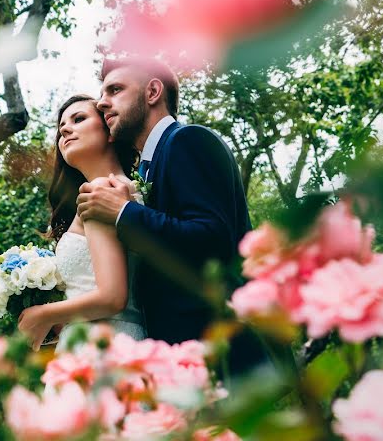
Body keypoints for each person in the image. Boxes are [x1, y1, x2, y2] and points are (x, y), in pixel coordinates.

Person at [76, 57, 269, 375]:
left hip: (220, 354)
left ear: (152, 91)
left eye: (115, 90)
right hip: (177, 362)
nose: (102, 102)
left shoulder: (187, 141)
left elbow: (212, 236)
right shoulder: (144, 168)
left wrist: (123, 212)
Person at [16, 94, 146, 348]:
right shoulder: (125, 188)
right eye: (61, 127)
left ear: (110, 132)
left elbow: (112, 298)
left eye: (79, 119)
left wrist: (41, 315)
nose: (64, 129)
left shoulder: (102, 192)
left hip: (103, 347)